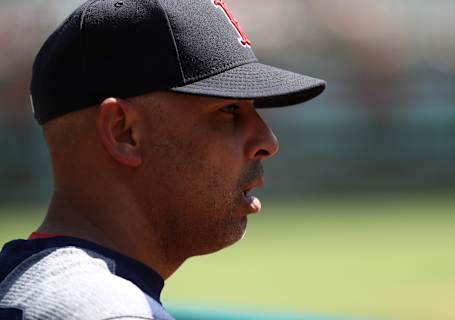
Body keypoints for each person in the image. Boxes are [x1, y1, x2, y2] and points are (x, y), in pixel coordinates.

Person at [0, 0, 326, 319]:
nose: (267, 141)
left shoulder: (19, 279)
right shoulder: (111, 311)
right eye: (228, 110)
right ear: (123, 131)